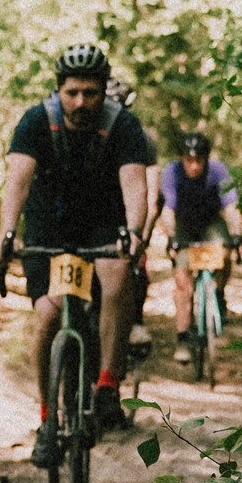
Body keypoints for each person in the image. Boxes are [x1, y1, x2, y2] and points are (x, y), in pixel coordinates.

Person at [0, 43, 152, 457]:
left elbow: (135, 187)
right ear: (58, 90)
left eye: (90, 93)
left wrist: (134, 232)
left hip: (103, 220)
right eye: (72, 93)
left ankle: (106, 386)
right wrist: (7, 232)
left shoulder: (123, 126)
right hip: (51, 223)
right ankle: (47, 420)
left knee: (116, 275)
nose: (80, 102)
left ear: (104, 92)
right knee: (48, 314)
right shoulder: (36, 122)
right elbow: (17, 182)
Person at [165, 131, 242, 361]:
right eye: (189, 160)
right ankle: (182, 337)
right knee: (183, 282)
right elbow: (167, 211)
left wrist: (237, 234)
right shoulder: (171, 172)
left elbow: (231, 207)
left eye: (200, 160)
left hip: (210, 222)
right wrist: (171, 237)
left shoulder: (218, 171)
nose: (195, 166)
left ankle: (218, 292)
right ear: (182, 159)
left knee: (224, 253)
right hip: (184, 224)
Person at [106, 78, 160, 366]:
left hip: (128, 210)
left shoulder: (140, 137)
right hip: (98, 211)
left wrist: (141, 234)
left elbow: (150, 196)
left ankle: (134, 321)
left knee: (133, 269)